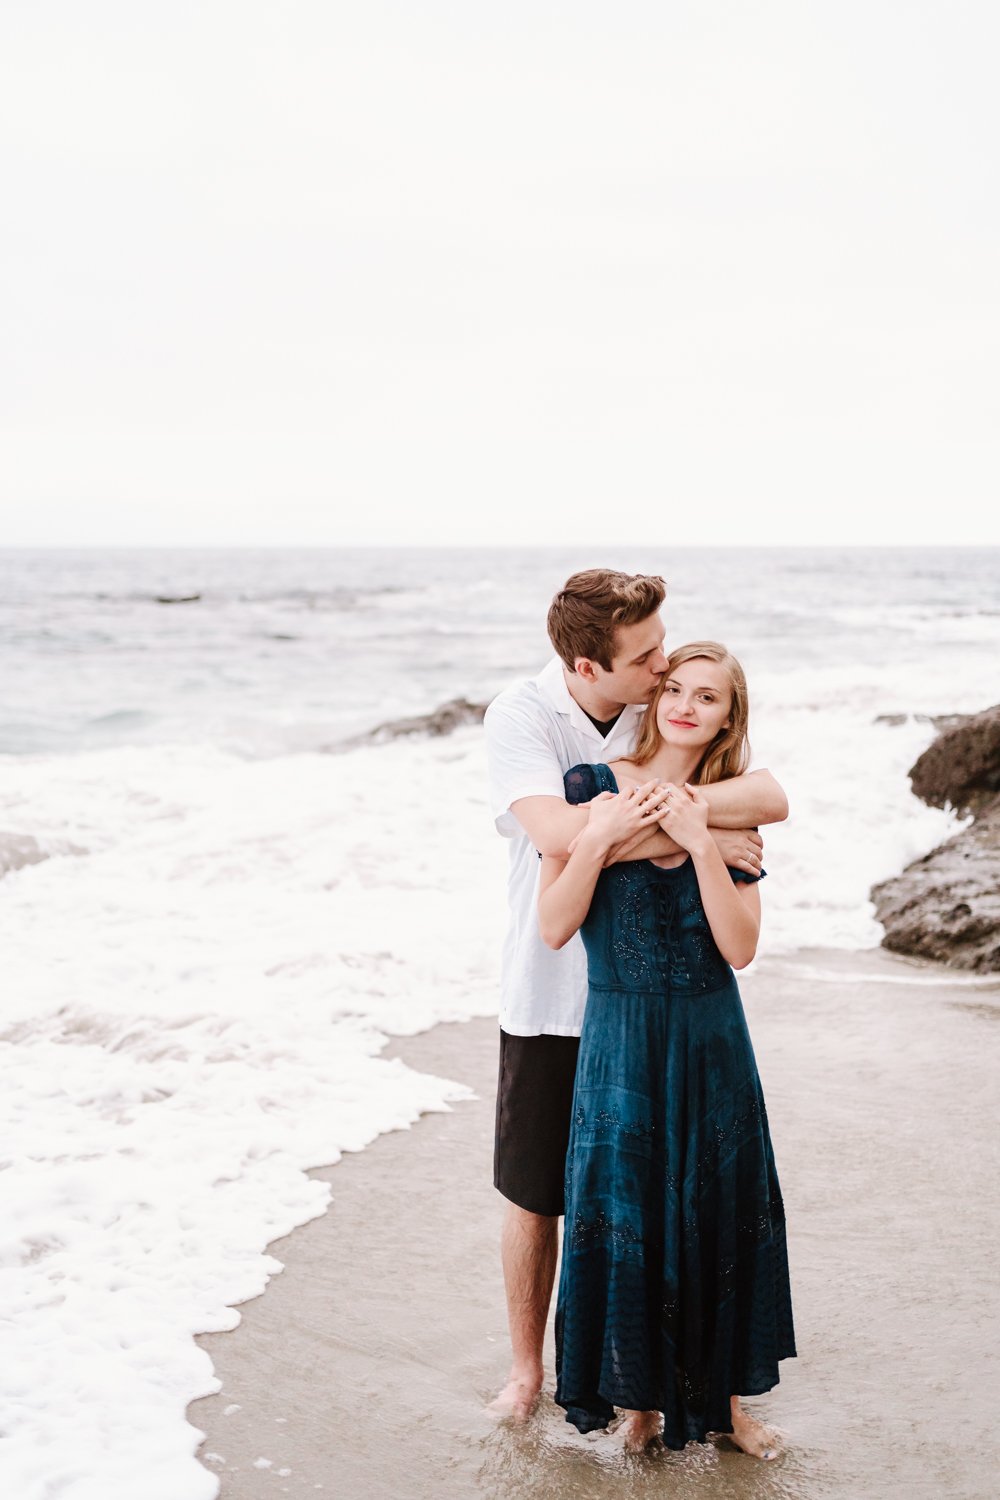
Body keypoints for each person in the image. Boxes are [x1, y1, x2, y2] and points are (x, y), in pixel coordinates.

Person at [484, 572, 788, 1421]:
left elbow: (769, 795)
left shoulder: (652, 704)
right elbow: (556, 833)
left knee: (682, 1196)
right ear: (590, 668)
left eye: (668, 651)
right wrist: (698, 830)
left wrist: (701, 824)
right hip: (557, 998)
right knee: (538, 1191)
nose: (663, 672)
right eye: (649, 658)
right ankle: (527, 1371)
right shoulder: (526, 717)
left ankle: (679, 1386)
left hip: (682, 1011)